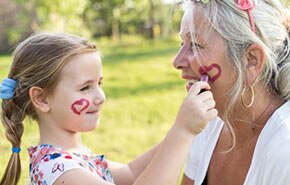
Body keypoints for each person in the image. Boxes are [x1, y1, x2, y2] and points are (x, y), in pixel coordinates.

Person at [0, 32, 217, 185]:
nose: (100, 97)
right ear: (41, 98)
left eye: (99, 84)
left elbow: (131, 174)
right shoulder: (59, 172)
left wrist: (193, 132)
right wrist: (183, 133)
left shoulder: (73, 156)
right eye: (85, 88)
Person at [173, 0, 290, 184]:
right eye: (182, 43)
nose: (177, 61)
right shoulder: (207, 123)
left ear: (251, 60)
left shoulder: (284, 153)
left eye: (196, 45)